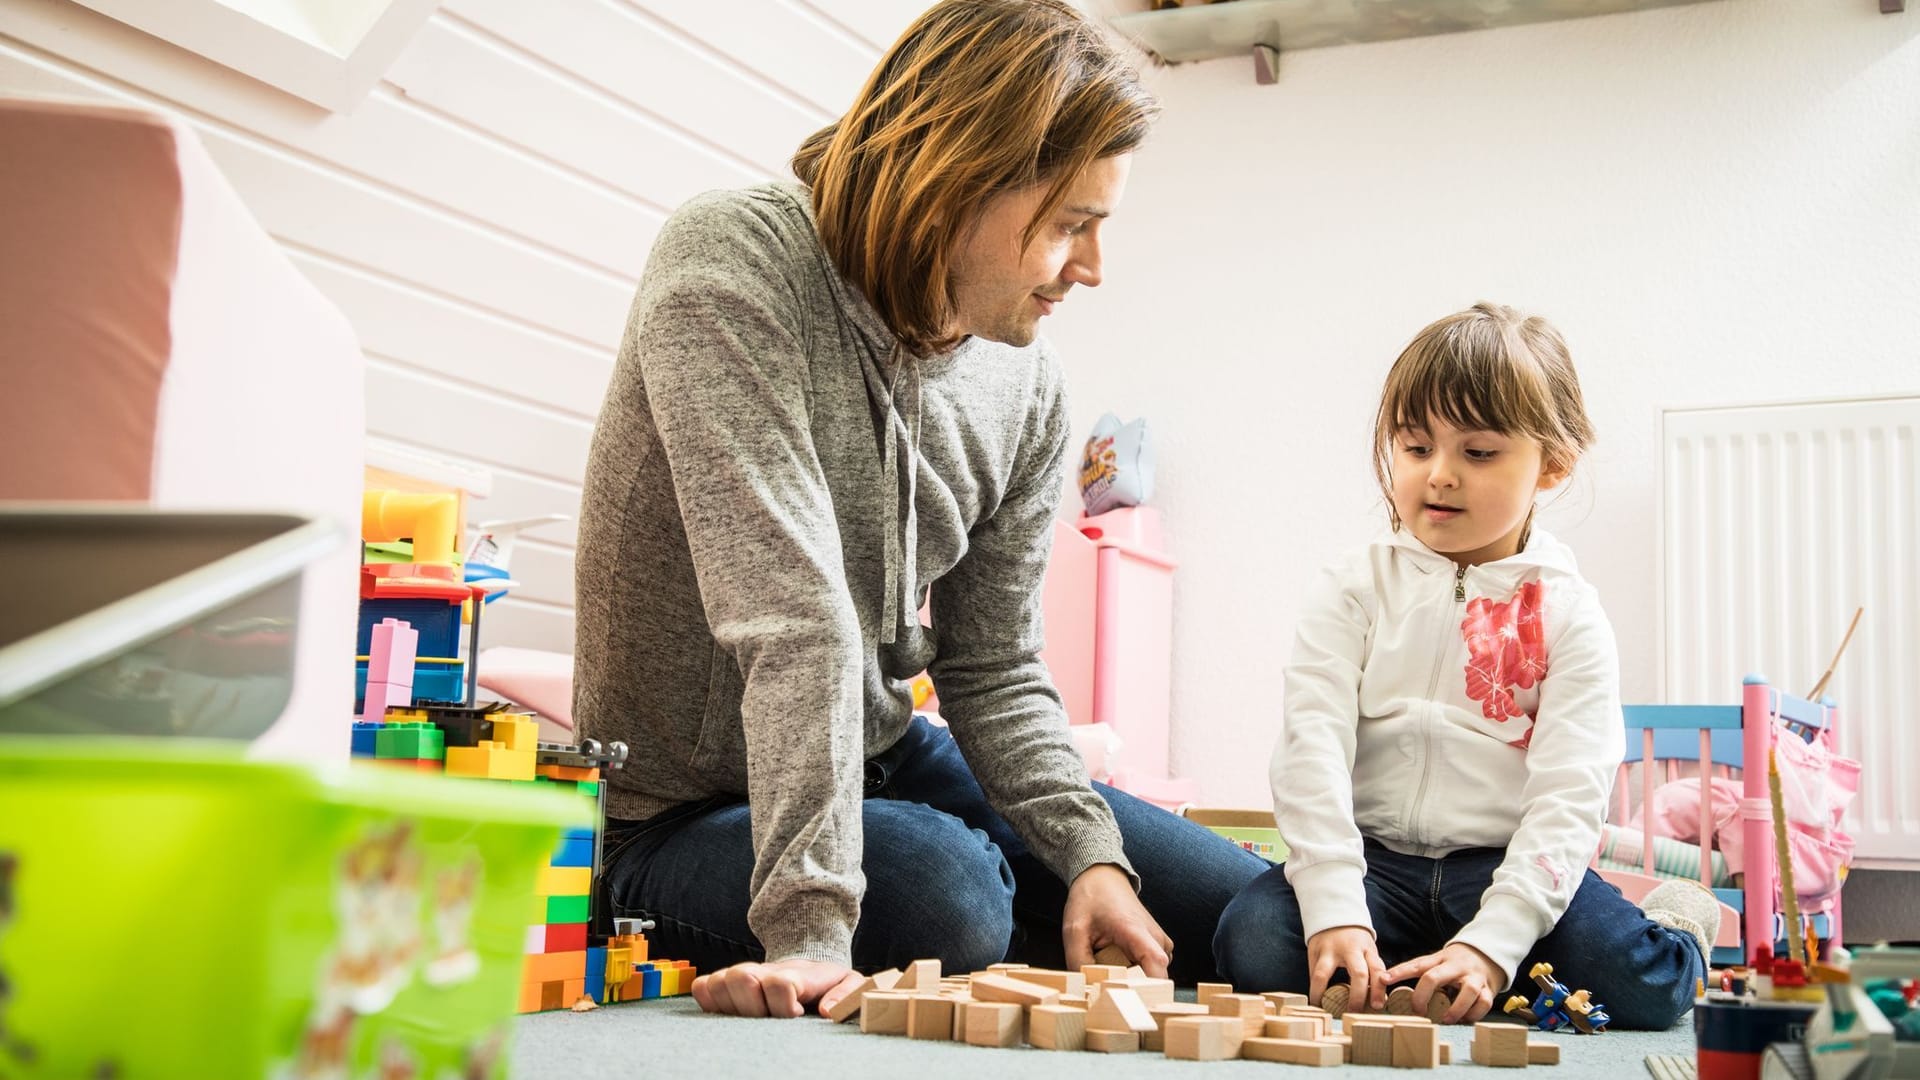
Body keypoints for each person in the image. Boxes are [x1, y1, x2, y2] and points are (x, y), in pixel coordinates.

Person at [573, 0, 1268, 1020]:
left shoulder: (1027, 385)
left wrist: (1085, 852)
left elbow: (992, 663)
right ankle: (957, 900)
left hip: (883, 758)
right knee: (944, 896)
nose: (1092, 268)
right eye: (1071, 224)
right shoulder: (731, 261)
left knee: (1252, 920)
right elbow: (792, 615)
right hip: (679, 814)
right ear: (957, 178)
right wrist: (809, 932)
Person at [1212, 303, 1721, 1030]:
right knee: (1253, 941)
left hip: (1504, 865)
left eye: (1477, 454)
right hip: (1377, 863)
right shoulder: (1353, 587)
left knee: (1642, 986)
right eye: (1416, 449)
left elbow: (1569, 797)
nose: (1440, 476)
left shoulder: (1570, 615)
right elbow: (1311, 750)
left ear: (1552, 464)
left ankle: (1678, 922)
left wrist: (1494, 942)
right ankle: (1412, 956)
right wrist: (1335, 911)